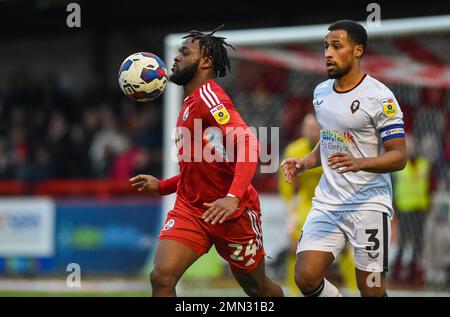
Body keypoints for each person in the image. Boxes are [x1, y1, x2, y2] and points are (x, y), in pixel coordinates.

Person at [129, 26, 283, 297]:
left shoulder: (210, 98)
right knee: (161, 277)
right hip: (191, 209)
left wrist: (233, 197)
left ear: (206, 61)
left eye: (184, 52)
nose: (175, 58)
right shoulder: (189, 102)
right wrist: (163, 186)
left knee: (258, 289)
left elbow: (249, 144)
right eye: (178, 52)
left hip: (231, 213)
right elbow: (201, 166)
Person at [281, 20, 407, 297]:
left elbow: (399, 156)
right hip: (329, 202)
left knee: (371, 289)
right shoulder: (321, 93)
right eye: (326, 46)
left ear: (358, 51)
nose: (328, 53)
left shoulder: (380, 97)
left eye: (336, 46)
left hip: (369, 203)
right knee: (305, 277)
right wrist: (306, 162)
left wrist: (359, 163)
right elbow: (329, 141)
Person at [279, 113, 357, 295]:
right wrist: (290, 211)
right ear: (302, 130)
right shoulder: (294, 150)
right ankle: (293, 292)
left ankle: (353, 290)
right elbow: (288, 186)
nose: (312, 131)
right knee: (294, 248)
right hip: (305, 204)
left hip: (333, 203)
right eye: (308, 127)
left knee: (345, 248)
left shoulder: (334, 147)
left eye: (315, 127)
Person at [392, 134, 431, 286]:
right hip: (404, 209)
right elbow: (395, 188)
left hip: (420, 209)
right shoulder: (400, 165)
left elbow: (430, 186)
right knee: (403, 242)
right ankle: (397, 273)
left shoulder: (423, 164)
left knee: (418, 243)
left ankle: (412, 274)